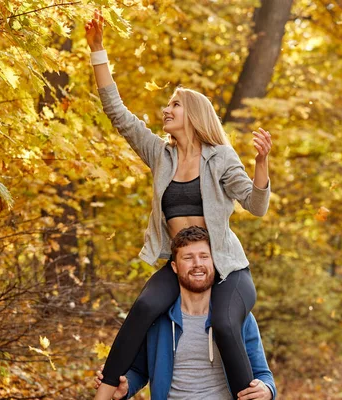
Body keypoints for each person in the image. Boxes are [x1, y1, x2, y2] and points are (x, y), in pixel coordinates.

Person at [84, 10, 273, 400]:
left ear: (193, 113)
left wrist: (261, 165)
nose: (165, 110)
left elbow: (255, 206)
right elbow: (118, 115)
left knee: (223, 323)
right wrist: (98, 52)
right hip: (181, 263)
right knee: (143, 307)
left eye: (174, 105)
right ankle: (104, 394)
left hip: (225, 267)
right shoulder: (160, 155)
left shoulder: (220, 156)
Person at [93, 226, 276, 400]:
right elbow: (140, 371)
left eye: (204, 256)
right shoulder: (158, 320)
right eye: (188, 258)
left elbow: (262, 374)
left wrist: (266, 390)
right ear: (174, 266)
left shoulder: (237, 317)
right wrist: (126, 386)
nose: (197, 264)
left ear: (215, 262)